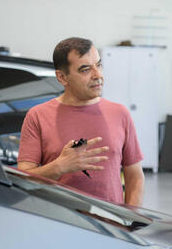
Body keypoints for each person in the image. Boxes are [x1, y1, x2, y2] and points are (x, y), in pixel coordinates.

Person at [17, 37, 144, 206]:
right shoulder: (38, 116)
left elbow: (135, 176)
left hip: (111, 226)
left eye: (99, 65)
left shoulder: (120, 114)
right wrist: (59, 167)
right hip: (59, 223)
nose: (97, 75)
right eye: (85, 70)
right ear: (62, 77)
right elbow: (23, 180)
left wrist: (131, 220)